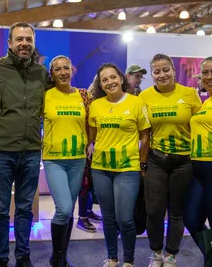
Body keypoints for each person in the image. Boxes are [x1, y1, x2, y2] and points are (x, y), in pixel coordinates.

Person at [0, 23, 48, 267]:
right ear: (9, 43)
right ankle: (0, 258)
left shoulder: (41, 73)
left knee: (24, 209)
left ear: (33, 43)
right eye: (19, 39)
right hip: (0, 151)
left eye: (28, 40)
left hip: (31, 151)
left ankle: (22, 256)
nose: (24, 44)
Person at [139, 54, 202, 267]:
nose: (162, 74)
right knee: (154, 210)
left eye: (166, 69)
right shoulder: (144, 97)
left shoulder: (190, 94)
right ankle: (156, 254)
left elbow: (199, 127)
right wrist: (142, 161)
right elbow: (144, 133)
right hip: (157, 160)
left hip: (184, 161)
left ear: (173, 70)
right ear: (152, 74)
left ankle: (171, 256)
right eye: (156, 71)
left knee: (177, 212)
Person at [89, 63, 150, 267]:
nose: (109, 82)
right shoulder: (96, 105)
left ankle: (129, 261)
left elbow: (145, 136)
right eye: (104, 79)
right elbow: (93, 135)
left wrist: (142, 164)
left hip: (127, 169)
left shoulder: (135, 102)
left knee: (125, 219)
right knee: (108, 218)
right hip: (100, 169)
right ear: (100, 84)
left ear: (121, 78)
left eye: (113, 77)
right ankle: (113, 258)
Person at [43, 55, 88, 267]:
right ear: (51, 74)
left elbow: (90, 122)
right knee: (63, 208)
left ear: (72, 70)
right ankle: (58, 256)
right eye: (57, 69)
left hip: (77, 159)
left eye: (66, 68)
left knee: (69, 209)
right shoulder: (45, 95)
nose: (62, 72)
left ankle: (61, 254)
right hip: (54, 160)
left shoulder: (82, 95)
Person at [184, 56, 212, 257]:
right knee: (191, 220)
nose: (209, 76)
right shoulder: (206, 102)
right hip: (197, 169)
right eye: (205, 72)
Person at [77, 76, 102, 233]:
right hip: (88, 146)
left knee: (91, 183)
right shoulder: (86, 97)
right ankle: (82, 217)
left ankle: (88, 211)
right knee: (84, 183)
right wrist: (90, 143)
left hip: (102, 146)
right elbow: (87, 123)